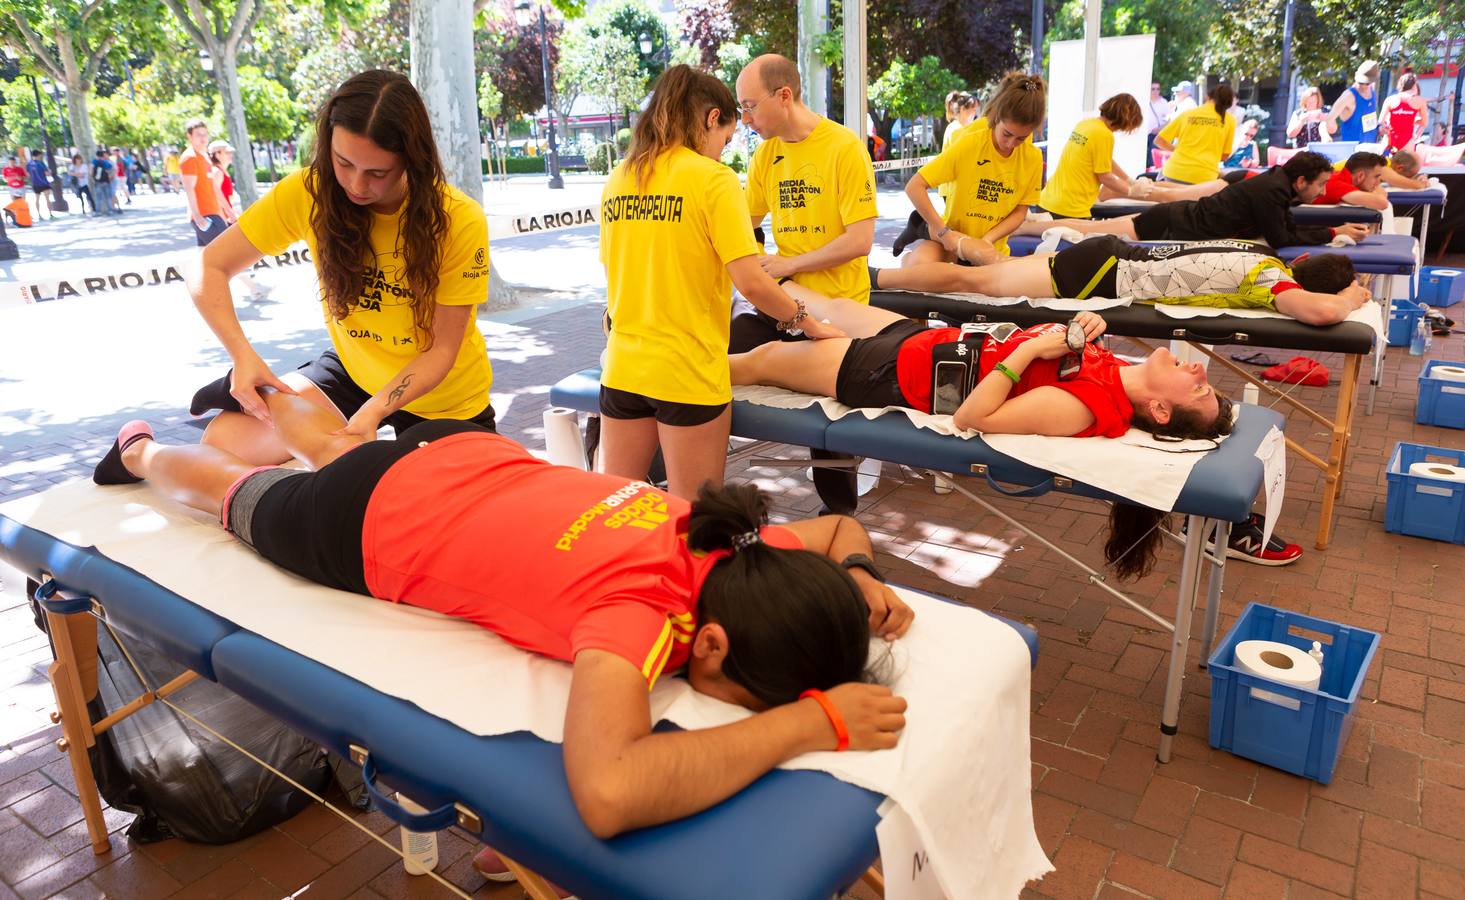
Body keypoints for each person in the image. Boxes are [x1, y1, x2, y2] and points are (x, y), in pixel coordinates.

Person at [90, 399, 912, 841]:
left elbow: (839, 531)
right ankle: (140, 450)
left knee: (343, 447)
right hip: (366, 520)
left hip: (459, 453)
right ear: (711, 644)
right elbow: (609, 792)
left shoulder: (738, 543)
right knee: (229, 493)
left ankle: (258, 400)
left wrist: (858, 575)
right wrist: (806, 726)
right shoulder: (640, 614)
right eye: (744, 695)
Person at [186, 69, 499, 467]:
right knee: (224, 443)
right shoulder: (308, 192)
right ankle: (260, 392)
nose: (356, 184)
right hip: (355, 371)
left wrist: (373, 412)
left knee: (444, 507)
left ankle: (277, 401)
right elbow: (207, 267)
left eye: (377, 173)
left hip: (443, 396)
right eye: (343, 162)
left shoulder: (458, 219)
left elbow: (442, 350)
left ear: (411, 160)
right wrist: (242, 355)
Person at [597, 65, 843, 501]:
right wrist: (808, 323)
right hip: (686, 373)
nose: (721, 152)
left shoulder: (622, 176)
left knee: (618, 512)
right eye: (725, 140)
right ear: (712, 119)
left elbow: (614, 270)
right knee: (697, 520)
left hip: (623, 370)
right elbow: (750, 282)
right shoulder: (713, 179)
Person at [871, 234, 1369, 325]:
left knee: (979, 277)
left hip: (1107, 258)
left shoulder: (1258, 251)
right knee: (975, 282)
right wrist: (1351, 296)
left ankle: (883, 275)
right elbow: (1322, 312)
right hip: (1101, 273)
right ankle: (878, 277)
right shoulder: (1271, 280)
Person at [735, 53, 878, 337]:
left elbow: (860, 241)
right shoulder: (765, 154)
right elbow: (742, 225)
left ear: (784, 96)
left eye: (750, 106)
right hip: (786, 303)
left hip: (840, 309)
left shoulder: (845, 147)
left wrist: (789, 263)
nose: (745, 119)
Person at [1013, 151, 1369, 249]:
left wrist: (1333, 230)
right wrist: (1332, 231)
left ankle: (1029, 225)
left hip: (1177, 218)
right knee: (1090, 230)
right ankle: (1026, 227)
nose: (1323, 193)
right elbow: (1282, 237)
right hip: (1169, 224)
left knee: (1093, 228)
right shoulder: (1272, 189)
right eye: (1320, 185)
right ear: (1301, 180)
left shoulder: (1278, 185)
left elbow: (1285, 228)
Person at [893, 71, 1047, 267]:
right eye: (1007, 134)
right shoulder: (970, 142)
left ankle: (920, 227)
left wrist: (987, 241)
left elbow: (1020, 212)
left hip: (989, 249)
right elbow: (914, 186)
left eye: (1021, 138)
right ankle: (919, 231)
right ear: (997, 117)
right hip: (952, 241)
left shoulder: (1032, 157)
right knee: (918, 267)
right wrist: (943, 232)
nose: (1010, 144)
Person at [1037, 93, 1145, 219]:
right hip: (1069, 209)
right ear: (1127, 120)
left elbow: (1105, 159)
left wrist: (1128, 180)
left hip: (1048, 200)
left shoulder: (1086, 124)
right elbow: (1105, 177)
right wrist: (1130, 191)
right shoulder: (1104, 134)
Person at [1154, 84, 1236, 184]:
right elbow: (1224, 156)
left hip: (1174, 172)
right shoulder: (1229, 120)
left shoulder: (1188, 114)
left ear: (1208, 96)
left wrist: (1177, 150)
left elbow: (1159, 140)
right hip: (1204, 177)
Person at [180, 120, 228, 245]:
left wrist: (228, 211)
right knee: (227, 252)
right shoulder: (190, 158)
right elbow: (189, 188)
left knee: (205, 258)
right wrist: (197, 215)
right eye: (198, 135)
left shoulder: (204, 157)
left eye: (205, 134)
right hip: (204, 216)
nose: (203, 138)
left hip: (213, 213)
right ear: (190, 137)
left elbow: (214, 188)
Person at [1311, 151, 1389, 210]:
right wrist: (1378, 192)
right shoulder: (1337, 184)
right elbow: (1382, 203)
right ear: (1360, 176)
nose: (1379, 182)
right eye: (1376, 177)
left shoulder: (1339, 177)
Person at [1328, 60, 1380, 144]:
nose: (1364, 86)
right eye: (1361, 82)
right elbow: (1329, 118)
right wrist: (1326, 134)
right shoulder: (1348, 96)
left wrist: (1379, 127)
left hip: (1371, 148)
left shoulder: (1372, 90)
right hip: (1352, 151)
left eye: (1367, 83)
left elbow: (1371, 119)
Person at [1381, 73, 1429, 154]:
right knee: (1405, 165)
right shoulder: (1420, 101)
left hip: (1390, 138)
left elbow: (1381, 121)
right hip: (1407, 139)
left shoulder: (1390, 99)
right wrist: (1412, 121)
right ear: (1414, 85)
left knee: (1386, 164)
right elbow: (1424, 122)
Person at [208, 139, 239, 223]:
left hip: (226, 217)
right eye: (227, 153)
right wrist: (229, 213)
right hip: (220, 218)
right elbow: (215, 196)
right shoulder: (216, 171)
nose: (231, 155)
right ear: (217, 154)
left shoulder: (222, 171)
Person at [1143, 82, 1171, 160]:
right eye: (1153, 89)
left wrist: (1160, 129)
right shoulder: (1144, 101)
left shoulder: (1163, 102)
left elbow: (1170, 120)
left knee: (1152, 160)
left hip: (1156, 135)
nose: (1155, 91)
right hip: (1143, 135)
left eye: (1158, 89)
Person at [25, 150, 54, 220]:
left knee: (37, 199)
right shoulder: (41, 163)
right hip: (44, 183)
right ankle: (50, 214)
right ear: (38, 155)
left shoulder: (28, 164)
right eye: (41, 155)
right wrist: (50, 172)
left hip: (35, 184)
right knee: (47, 199)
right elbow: (47, 173)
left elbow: (28, 175)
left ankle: (39, 215)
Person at [89, 148, 119, 215]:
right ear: (102, 155)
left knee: (98, 198)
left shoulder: (94, 161)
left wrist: (92, 178)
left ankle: (98, 212)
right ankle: (110, 211)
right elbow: (112, 169)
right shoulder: (105, 162)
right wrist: (109, 175)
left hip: (97, 182)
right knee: (108, 197)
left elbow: (90, 171)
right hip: (106, 181)